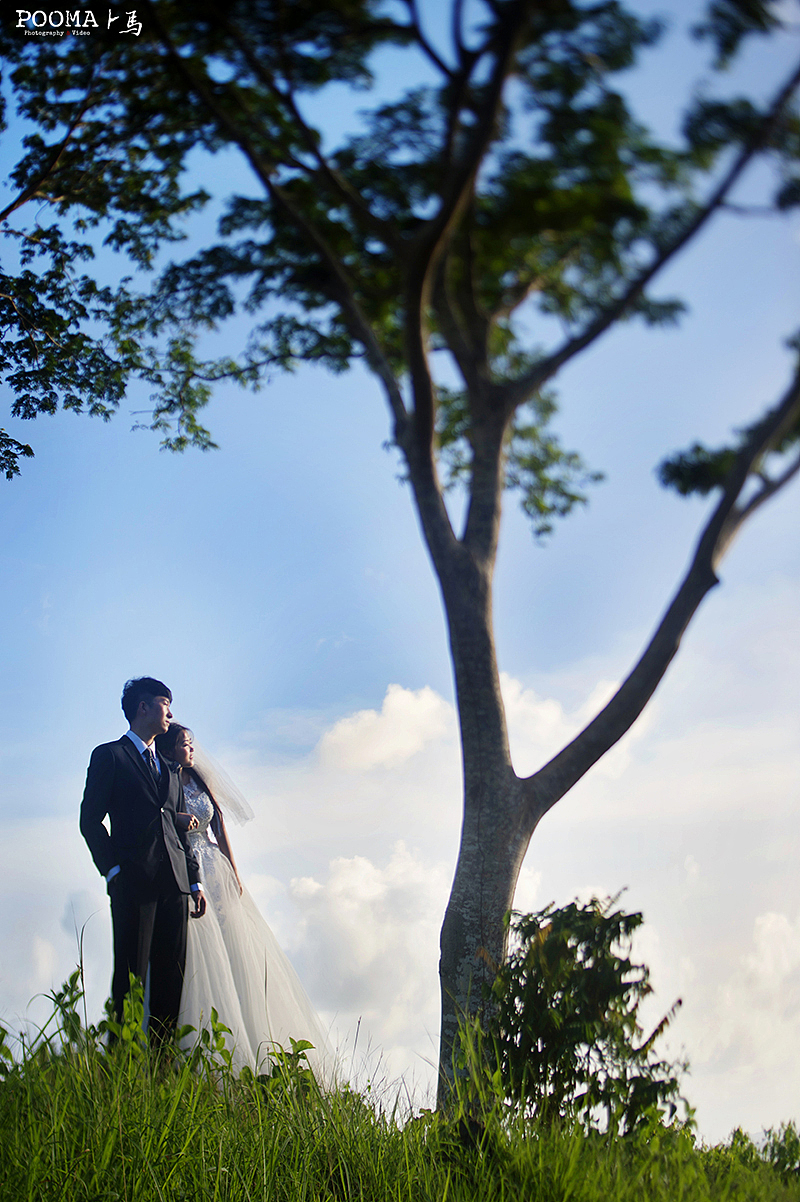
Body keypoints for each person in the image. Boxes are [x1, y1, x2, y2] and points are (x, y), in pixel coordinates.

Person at [155, 722, 334, 1080]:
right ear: (170, 748)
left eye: (192, 744)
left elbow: (218, 825)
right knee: (200, 949)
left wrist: (233, 871)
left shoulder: (200, 781)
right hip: (185, 867)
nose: (192, 749)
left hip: (213, 866)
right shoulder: (165, 782)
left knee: (236, 944)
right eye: (185, 744)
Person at [79, 678, 206, 1045]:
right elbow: (90, 820)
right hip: (133, 885)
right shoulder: (110, 756)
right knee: (130, 979)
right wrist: (112, 870)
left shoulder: (169, 768)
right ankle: (121, 1067)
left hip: (175, 886)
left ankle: (162, 1067)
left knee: (171, 979)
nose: (171, 713)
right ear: (143, 708)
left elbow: (179, 827)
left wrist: (194, 881)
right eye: (165, 703)